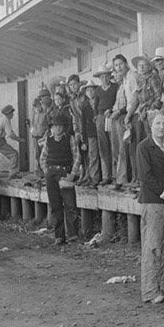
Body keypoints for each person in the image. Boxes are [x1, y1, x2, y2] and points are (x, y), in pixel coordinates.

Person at [136, 110, 164, 304]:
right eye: (157, 124)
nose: (161, 127)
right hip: (153, 200)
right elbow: (145, 176)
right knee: (153, 245)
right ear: (150, 126)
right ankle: (149, 290)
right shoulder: (144, 147)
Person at [40, 112, 75, 246]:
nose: (58, 129)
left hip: (66, 173)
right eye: (55, 126)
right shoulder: (48, 140)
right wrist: (46, 171)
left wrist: (73, 173)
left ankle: (72, 235)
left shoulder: (69, 139)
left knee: (70, 205)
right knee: (55, 206)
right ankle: (59, 236)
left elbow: (76, 156)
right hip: (52, 174)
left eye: (60, 126)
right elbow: (42, 158)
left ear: (64, 128)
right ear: (51, 128)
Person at [110, 55, 139, 189]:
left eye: (121, 64)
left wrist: (127, 116)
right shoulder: (125, 79)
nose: (119, 67)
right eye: (116, 65)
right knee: (130, 148)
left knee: (134, 148)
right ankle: (133, 178)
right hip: (130, 114)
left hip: (135, 114)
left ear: (126, 64)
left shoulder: (132, 76)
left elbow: (134, 99)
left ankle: (136, 179)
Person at [93, 67, 118, 186]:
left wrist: (112, 110)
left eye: (106, 76)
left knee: (113, 144)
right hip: (101, 117)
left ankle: (114, 175)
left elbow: (117, 102)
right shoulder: (98, 90)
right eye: (102, 77)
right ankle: (105, 175)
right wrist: (96, 117)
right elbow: (96, 105)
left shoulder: (115, 87)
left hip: (112, 116)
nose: (104, 78)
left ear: (110, 76)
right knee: (103, 147)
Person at [77, 83, 102, 186]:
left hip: (101, 130)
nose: (90, 92)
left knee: (104, 154)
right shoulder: (84, 105)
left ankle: (104, 177)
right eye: (88, 91)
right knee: (93, 155)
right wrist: (84, 138)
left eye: (92, 90)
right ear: (85, 93)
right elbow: (82, 122)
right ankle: (94, 177)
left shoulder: (100, 101)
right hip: (91, 133)